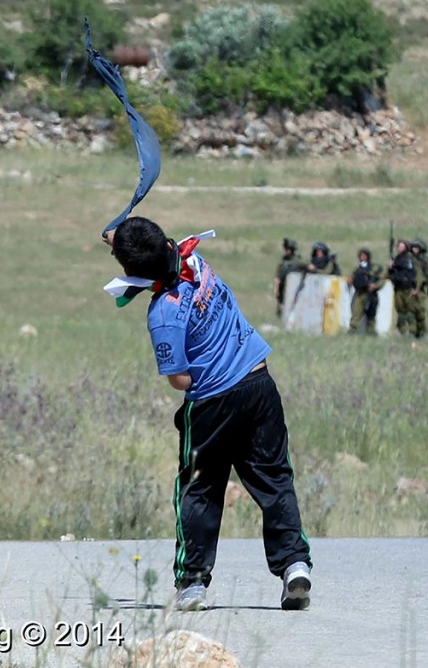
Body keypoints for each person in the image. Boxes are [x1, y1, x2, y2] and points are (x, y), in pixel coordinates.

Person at [106, 217, 313, 612]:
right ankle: (294, 564)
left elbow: (180, 380)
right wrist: (119, 240)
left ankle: (193, 584)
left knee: (199, 490)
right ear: (167, 244)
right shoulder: (195, 260)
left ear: (132, 273)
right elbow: (151, 247)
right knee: (274, 479)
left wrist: (123, 251)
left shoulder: (163, 314)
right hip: (259, 383)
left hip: (213, 404)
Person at [348, 247, 387, 335]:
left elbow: (381, 280)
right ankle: (352, 332)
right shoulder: (357, 269)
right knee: (356, 315)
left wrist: (374, 286)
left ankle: (371, 333)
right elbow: (352, 278)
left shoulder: (374, 268)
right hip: (360, 294)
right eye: (361, 255)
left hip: (371, 295)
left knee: (371, 316)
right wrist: (350, 280)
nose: (363, 257)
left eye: (364, 255)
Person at [388, 239, 421, 336]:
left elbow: (417, 273)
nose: (399, 248)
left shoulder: (410, 259)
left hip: (409, 289)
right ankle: (403, 331)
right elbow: (392, 273)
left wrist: (417, 289)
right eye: (398, 246)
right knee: (401, 311)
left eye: (402, 246)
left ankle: (412, 331)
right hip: (398, 289)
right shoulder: (396, 259)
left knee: (410, 312)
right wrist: (390, 268)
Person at [274, 238, 304, 318]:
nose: (286, 251)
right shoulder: (284, 261)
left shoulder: (297, 261)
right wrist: (276, 289)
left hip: (294, 289)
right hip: (283, 288)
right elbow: (278, 276)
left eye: (288, 249)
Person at [409, 239, 428, 339]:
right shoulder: (409, 259)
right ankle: (413, 332)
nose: (415, 250)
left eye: (417, 248)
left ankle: (422, 332)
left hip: (421, 289)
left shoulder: (425, 261)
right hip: (410, 288)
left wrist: (422, 281)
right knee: (410, 312)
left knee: (421, 312)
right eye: (413, 247)